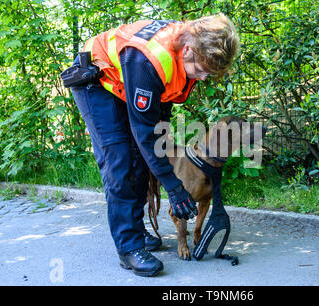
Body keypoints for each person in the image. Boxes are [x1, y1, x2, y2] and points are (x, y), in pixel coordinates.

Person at [68, 13, 239, 277]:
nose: (203, 78)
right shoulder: (148, 60)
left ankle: (135, 229)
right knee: (121, 162)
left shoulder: (185, 54)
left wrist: (164, 144)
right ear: (189, 49)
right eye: (202, 70)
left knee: (139, 159)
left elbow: (160, 117)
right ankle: (129, 247)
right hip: (97, 81)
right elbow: (145, 134)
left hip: (125, 84)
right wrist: (174, 188)